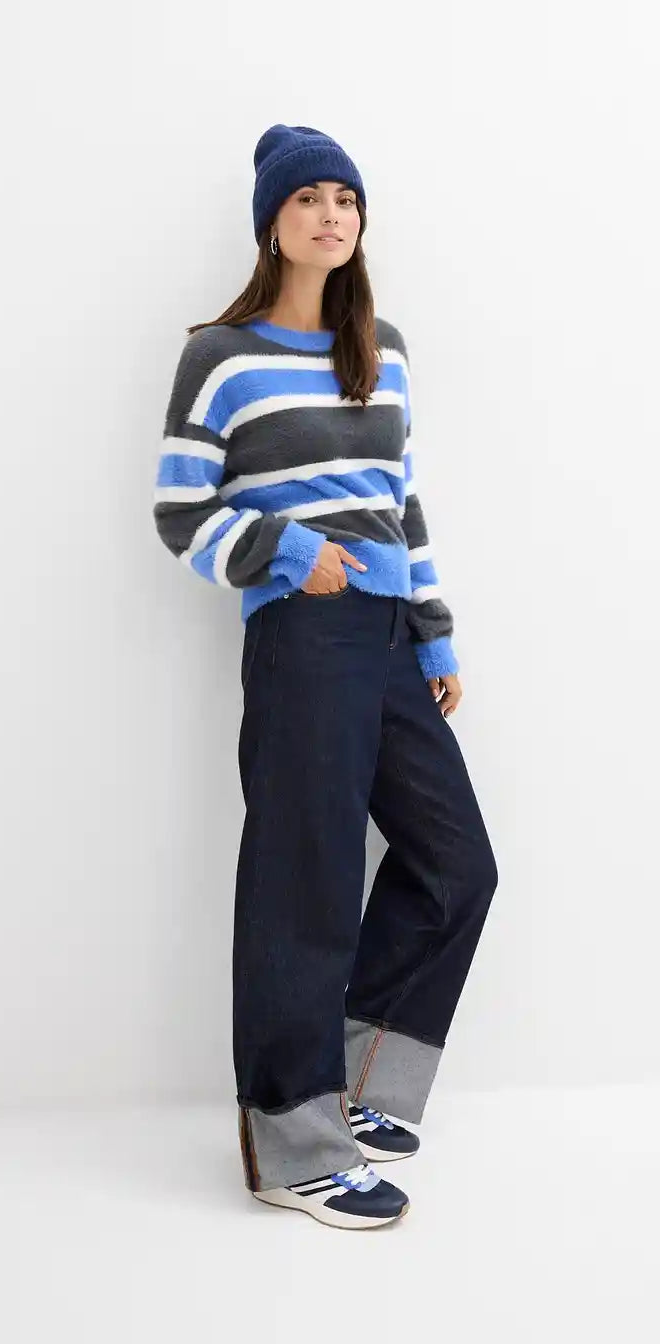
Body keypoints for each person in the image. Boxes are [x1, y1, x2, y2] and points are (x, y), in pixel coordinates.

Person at [151, 124, 498, 1231]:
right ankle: (293, 1151)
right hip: (303, 634)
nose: (330, 215)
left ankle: (355, 1083)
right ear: (274, 223)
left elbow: (403, 499)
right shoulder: (221, 355)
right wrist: (292, 554)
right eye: (308, 199)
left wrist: (434, 636)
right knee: (305, 884)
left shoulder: (381, 348)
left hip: (390, 635)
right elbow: (181, 511)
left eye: (345, 199)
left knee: (457, 864)